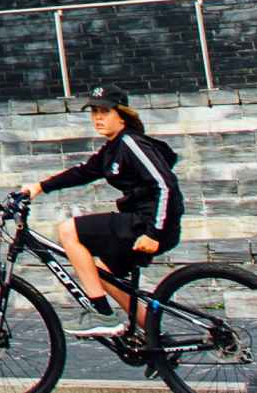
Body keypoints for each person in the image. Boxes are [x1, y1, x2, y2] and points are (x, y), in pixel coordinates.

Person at [24, 86, 182, 346]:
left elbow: (165, 185)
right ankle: (158, 342)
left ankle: (102, 314)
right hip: (140, 223)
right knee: (101, 272)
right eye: (94, 112)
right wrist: (39, 187)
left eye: (105, 111)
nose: (98, 118)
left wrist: (153, 233)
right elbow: (83, 172)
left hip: (148, 225)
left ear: (122, 115)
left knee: (68, 230)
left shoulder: (131, 142)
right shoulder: (113, 148)